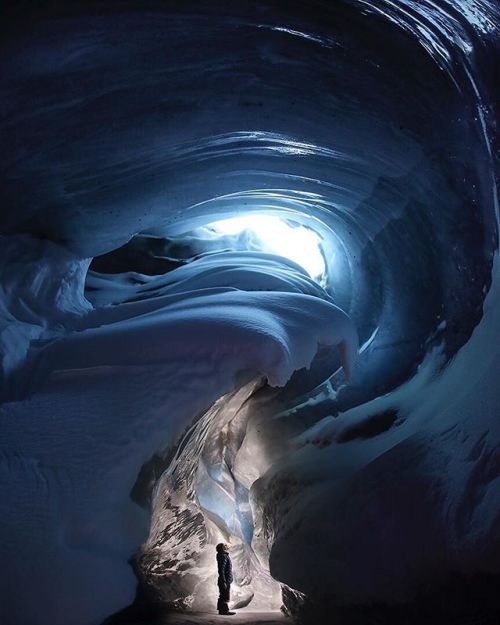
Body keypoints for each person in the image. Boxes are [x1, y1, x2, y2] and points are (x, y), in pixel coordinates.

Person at [216, 542, 236, 615]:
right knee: (224, 596)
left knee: (223, 595)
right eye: (225, 545)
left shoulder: (223, 555)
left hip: (225, 579)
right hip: (224, 579)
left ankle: (222, 610)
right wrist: (224, 581)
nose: (226, 546)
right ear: (222, 548)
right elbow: (221, 569)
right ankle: (224, 611)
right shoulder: (223, 556)